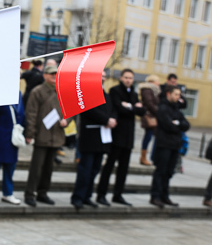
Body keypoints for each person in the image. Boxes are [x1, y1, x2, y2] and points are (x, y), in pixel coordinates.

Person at [96, 69, 145, 207]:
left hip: (129, 138)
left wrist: (129, 106)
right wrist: (133, 107)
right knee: (109, 166)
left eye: (131, 78)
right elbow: (119, 108)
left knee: (123, 169)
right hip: (117, 135)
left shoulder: (134, 94)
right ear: (121, 78)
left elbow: (142, 111)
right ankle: (101, 194)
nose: (128, 80)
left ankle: (118, 194)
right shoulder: (115, 91)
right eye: (126, 77)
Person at [23, 65, 68, 207]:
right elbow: (31, 114)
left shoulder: (63, 91)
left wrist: (67, 120)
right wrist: (30, 133)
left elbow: (72, 110)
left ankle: (43, 193)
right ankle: (30, 194)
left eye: (56, 74)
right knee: (36, 168)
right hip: (42, 135)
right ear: (44, 75)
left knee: (49, 168)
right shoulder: (37, 91)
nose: (54, 76)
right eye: (51, 74)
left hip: (57, 136)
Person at [71, 71, 117, 209]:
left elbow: (112, 110)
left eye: (104, 77)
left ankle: (87, 196)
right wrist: (106, 120)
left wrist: (113, 119)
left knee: (95, 170)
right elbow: (89, 110)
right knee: (85, 169)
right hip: (89, 137)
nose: (102, 79)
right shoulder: (86, 93)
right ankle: (78, 197)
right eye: (100, 76)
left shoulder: (106, 95)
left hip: (102, 138)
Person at [149, 85, 190, 208]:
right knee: (160, 171)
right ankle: (155, 196)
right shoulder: (163, 108)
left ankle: (164, 196)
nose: (178, 97)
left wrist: (177, 123)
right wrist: (177, 125)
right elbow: (168, 125)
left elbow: (186, 125)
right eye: (176, 94)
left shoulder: (177, 109)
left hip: (175, 145)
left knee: (169, 172)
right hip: (164, 144)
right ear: (169, 94)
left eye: (179, 95)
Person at [0, 93, 25, 205]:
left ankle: (8, 193)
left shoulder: (18, 94)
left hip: (12, 138)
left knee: (10, 166)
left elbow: (21, 114)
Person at [138, 74, 161, 166]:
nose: (158, 83)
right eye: (157, 81)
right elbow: (149, 103)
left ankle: (146, 157)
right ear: (152, 82)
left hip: (152, 116)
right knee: (148, 136)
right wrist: (157, 112)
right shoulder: (148, 90)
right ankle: (143, 157)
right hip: (149, 116)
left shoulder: (153, 90)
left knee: (150, 136)